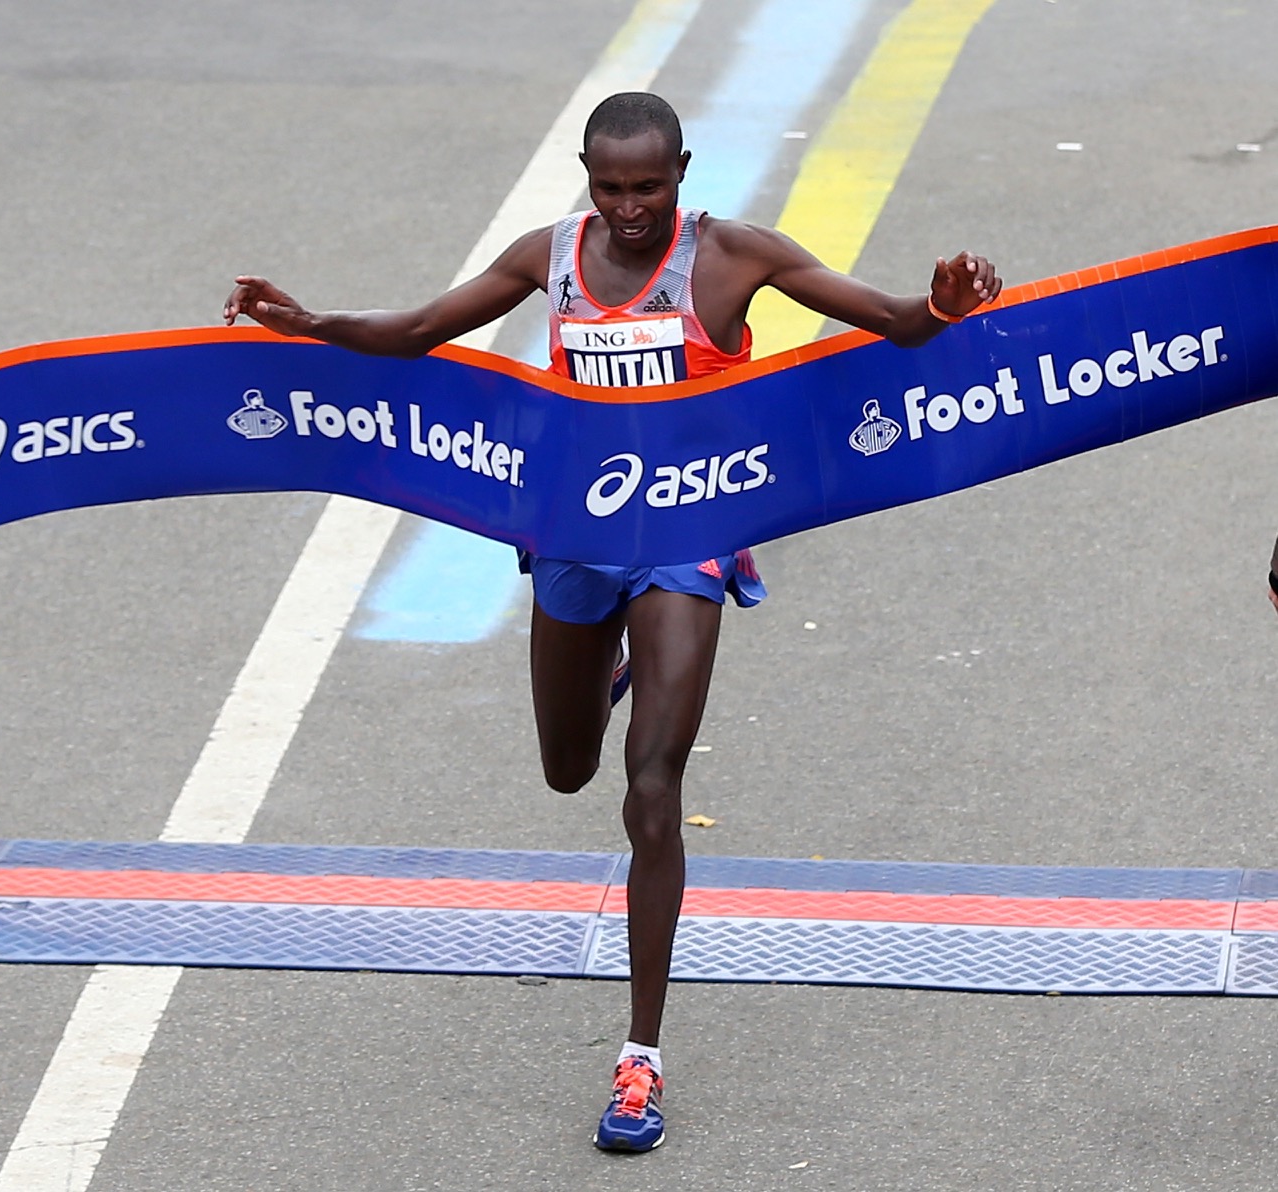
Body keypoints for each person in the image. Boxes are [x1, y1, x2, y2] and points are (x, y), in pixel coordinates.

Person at [225, 91, 1001, 1153]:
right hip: (574, 535)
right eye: (610, 186)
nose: (630, 208)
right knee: (566, 768)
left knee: (651, 787)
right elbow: (416, 332)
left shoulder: (734, 257)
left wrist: (943, 302)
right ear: (586, 177)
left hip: (687, 535)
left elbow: (896, 324)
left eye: (649, 186)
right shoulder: (548, 256)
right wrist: (309, 324)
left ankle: (640, 1058)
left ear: (683, 172)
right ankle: (618, 661)